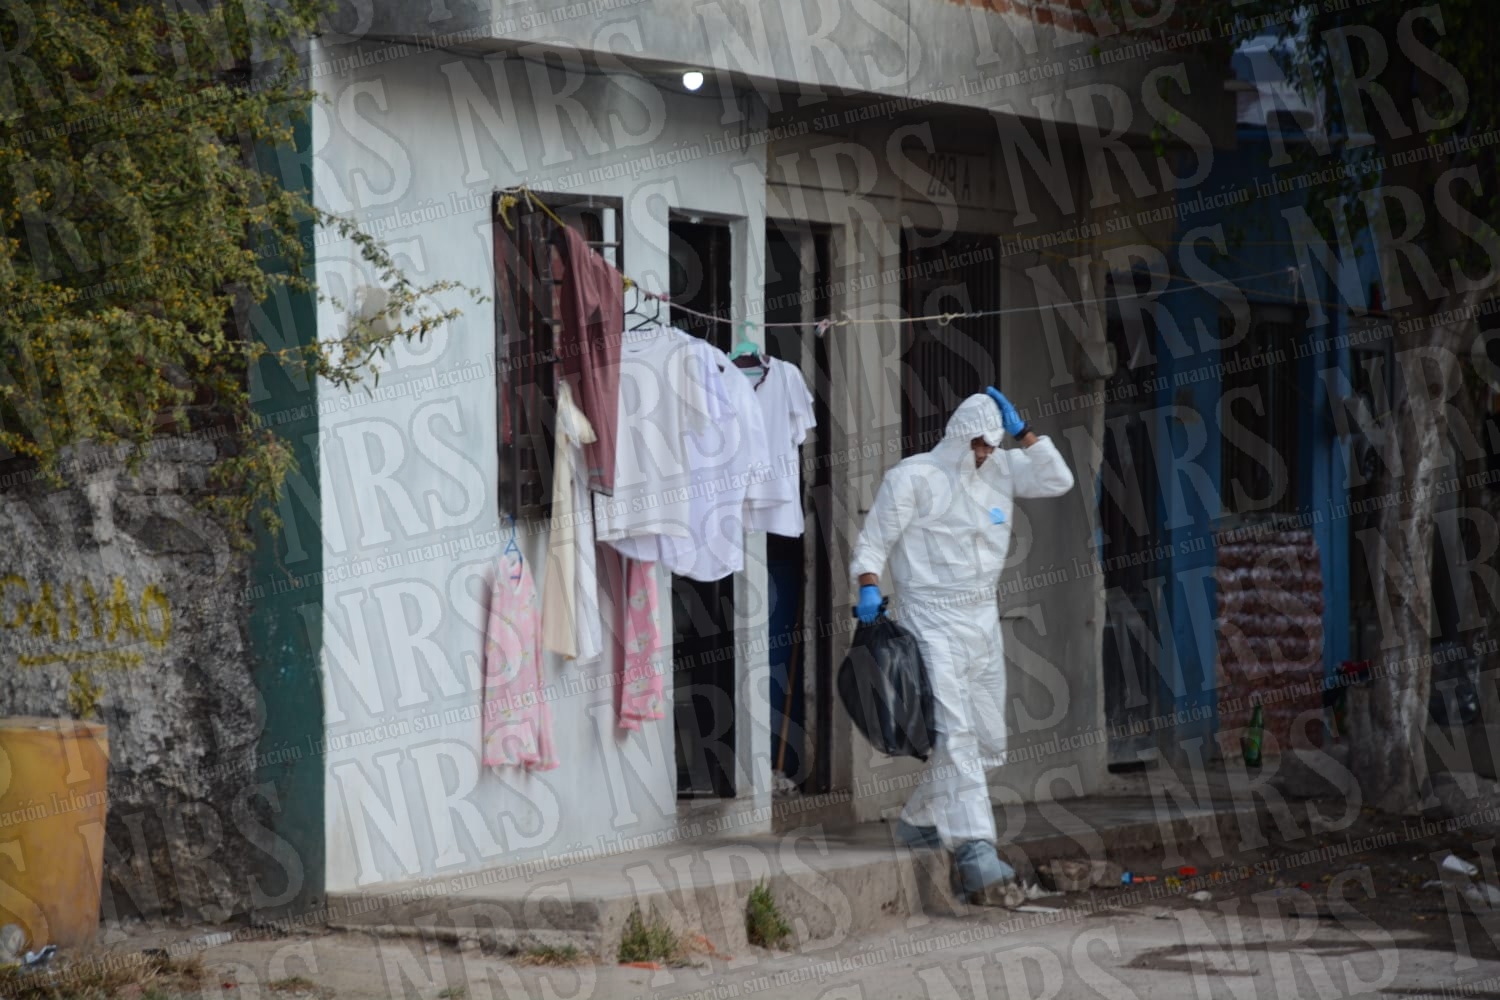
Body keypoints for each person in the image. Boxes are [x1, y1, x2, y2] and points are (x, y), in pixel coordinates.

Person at [849, 388, 1075, 904]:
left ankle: (917, 820)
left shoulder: (1002, 469)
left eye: (992, 445)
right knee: (956, 733)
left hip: (981, 619)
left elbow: (1057, 479)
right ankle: (977, 851)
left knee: (989, 741)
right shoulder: (912, 477)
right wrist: (868, 586)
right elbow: (873, 542)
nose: (985, 453)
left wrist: (1024, 433)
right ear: (958, 436)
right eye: (979, 444)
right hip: (929, 618)